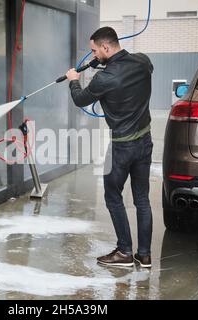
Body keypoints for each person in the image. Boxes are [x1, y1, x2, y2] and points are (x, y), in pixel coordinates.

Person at [66, 26, 154, 268]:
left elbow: (80, 99)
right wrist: (101, 64)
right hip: (145, 142)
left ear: (106, 46)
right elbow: (122, 70)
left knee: (112, 196)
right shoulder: (143, 62)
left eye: (95, 50)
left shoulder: (104, 79)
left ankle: (125, 252)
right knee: (142, 200)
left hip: (121, 147)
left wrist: (74, 80)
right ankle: (144, 255)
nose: (93, 54)